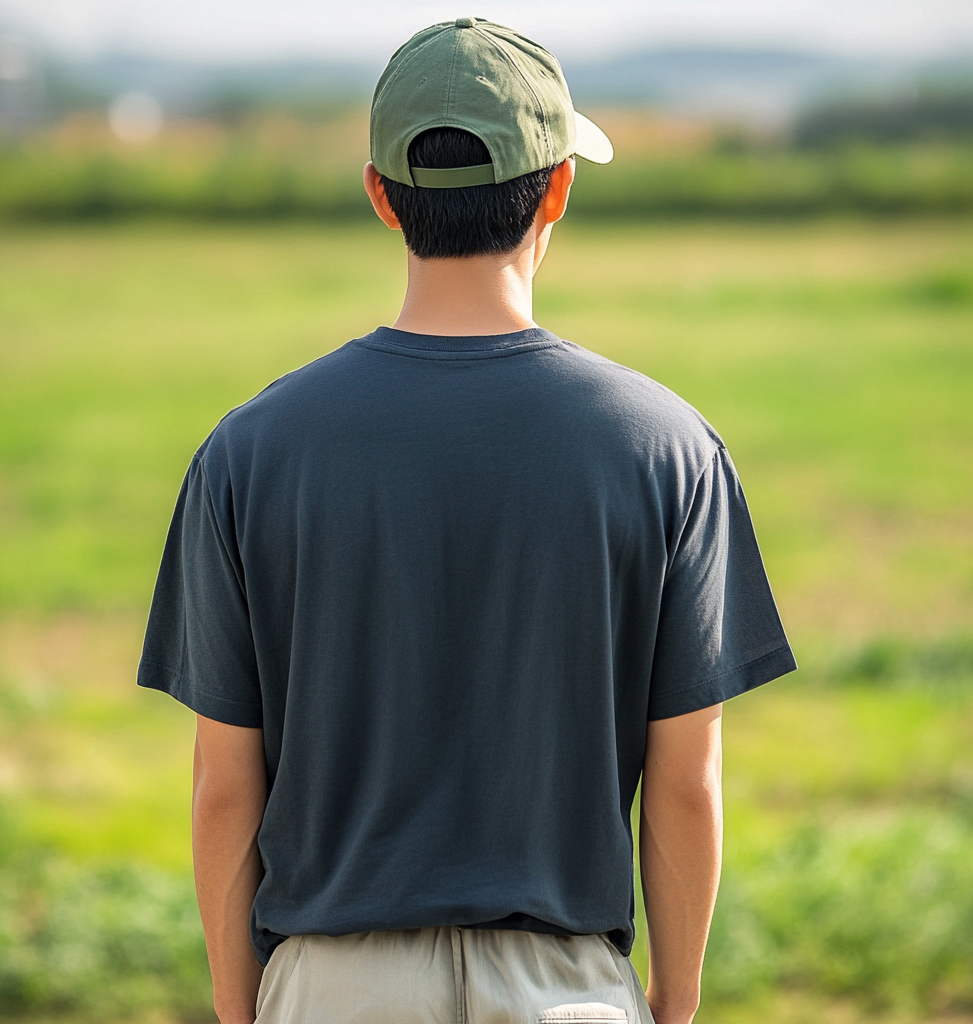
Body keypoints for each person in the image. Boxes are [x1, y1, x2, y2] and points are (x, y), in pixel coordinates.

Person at [138, 17, 796, 1024]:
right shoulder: (668, 448)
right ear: (559, 189)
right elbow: (684, 778)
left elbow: (226, 787)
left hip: (326, 986)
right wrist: (671, 1002)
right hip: (565, 989)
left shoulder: (249, 450)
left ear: (380, 197)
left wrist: (242, 1009)